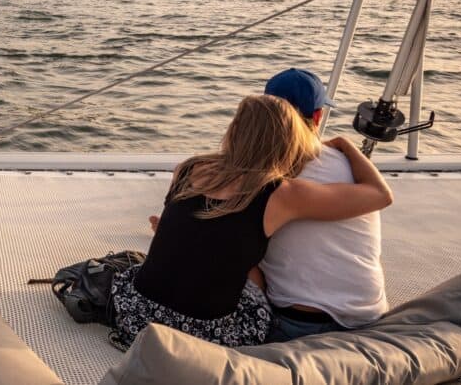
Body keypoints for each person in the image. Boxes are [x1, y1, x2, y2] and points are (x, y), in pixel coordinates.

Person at [111, 94, 393, 348]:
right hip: (201, 336)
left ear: (234, 130)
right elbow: (380, 194)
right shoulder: (281, 193)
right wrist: (345, 144)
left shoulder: (188, 167)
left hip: (137, 314)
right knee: (249, 261)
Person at [259, 68, 388, 342]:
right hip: (367, 317)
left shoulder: (258, 171)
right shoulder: (351, 168)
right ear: (317, 116)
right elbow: (382, 195)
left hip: (296, 323)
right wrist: (345, 144)